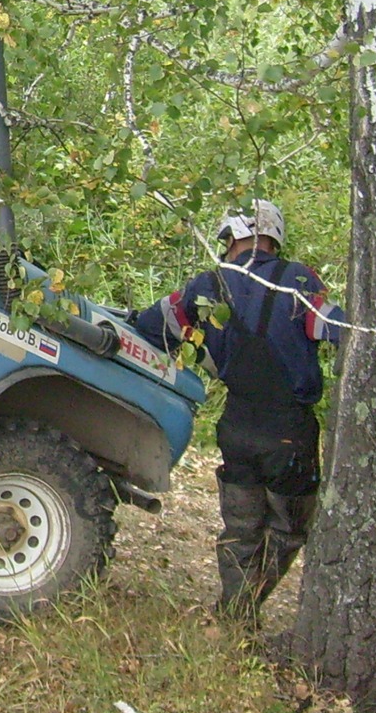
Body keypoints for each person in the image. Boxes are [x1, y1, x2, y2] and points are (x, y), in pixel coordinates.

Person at [131, 201, 346, 622]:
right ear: (273, 237)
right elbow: (338, 328)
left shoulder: (207, 285)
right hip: (290, 431)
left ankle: (234, 615)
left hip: (236, 426)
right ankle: (240, 612)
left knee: (240, 531)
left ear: (232, 238)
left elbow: (155, 322)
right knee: (288, 529)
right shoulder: (299, 280)